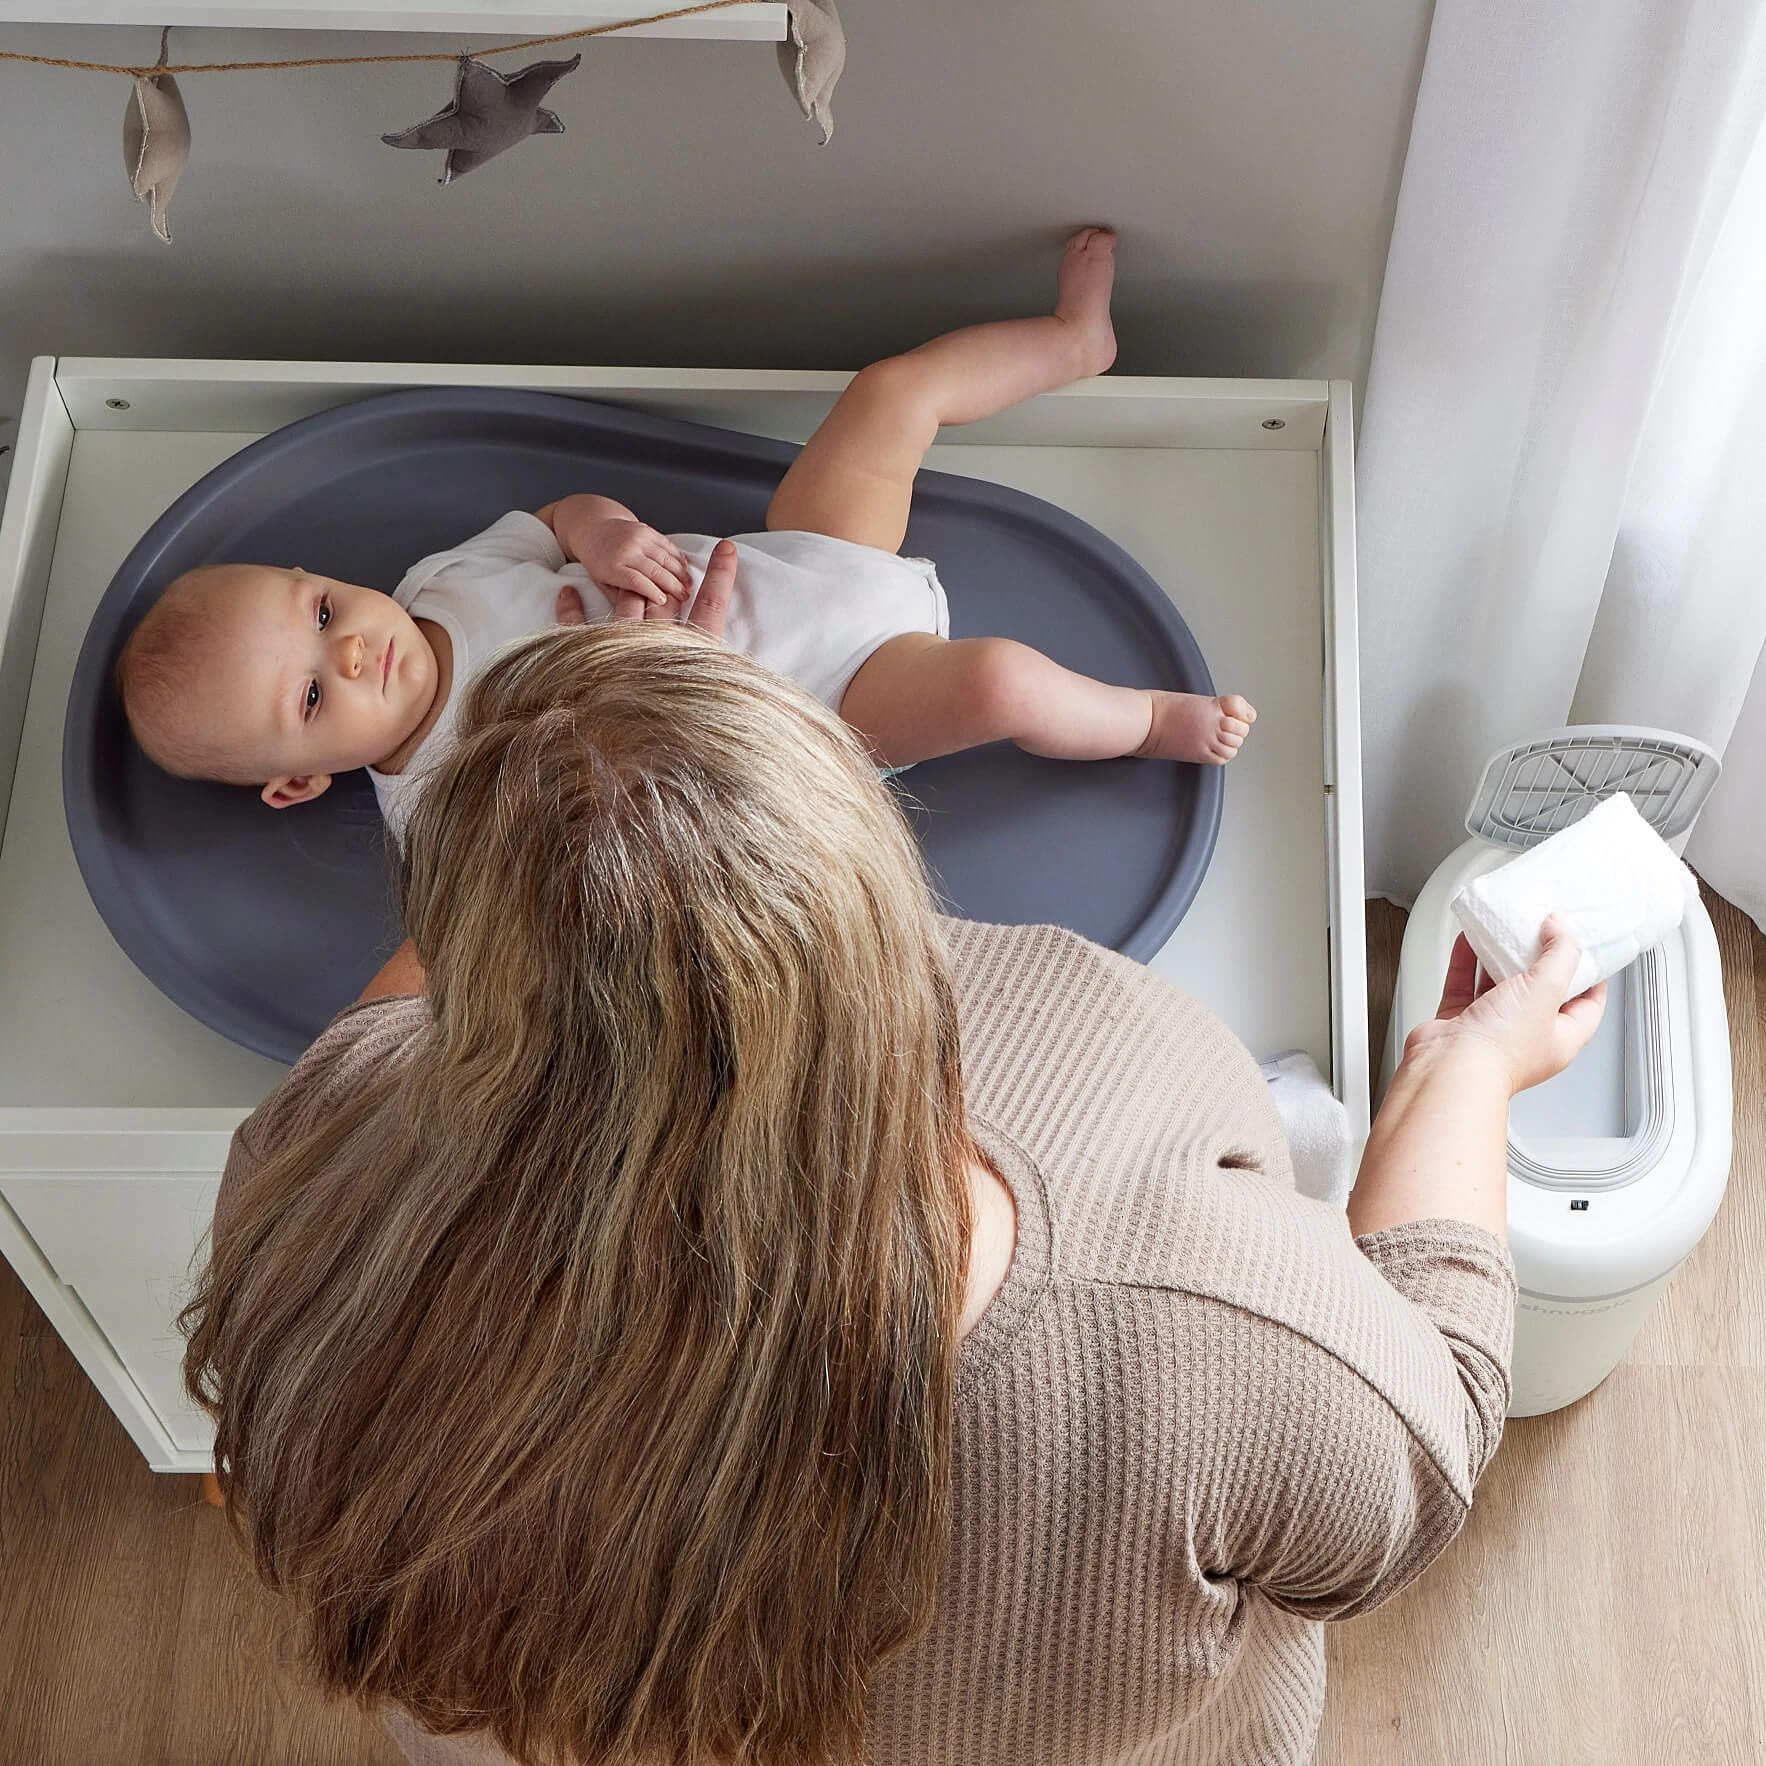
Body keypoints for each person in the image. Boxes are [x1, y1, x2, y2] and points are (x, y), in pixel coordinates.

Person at [182, 607, 1605, 1766]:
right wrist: (1458, 1074)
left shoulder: (319, 1165)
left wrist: (577, 856)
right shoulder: (1196, 1308)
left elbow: (398, 1036)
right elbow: (1428, 1437)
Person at [117, 228, 1255, 844]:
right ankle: (1145, 719)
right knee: (1004, 683)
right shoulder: (439, 805)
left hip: (790, 558)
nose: (354, 649)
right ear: (296, 786)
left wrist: (604, 536)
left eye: (321, 613)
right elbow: (608, 834)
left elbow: (556, 517)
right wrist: (657, 682)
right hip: (821, 692)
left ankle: (1071, 344)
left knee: (890, 393)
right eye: (314, 696)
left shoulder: (438, 580)